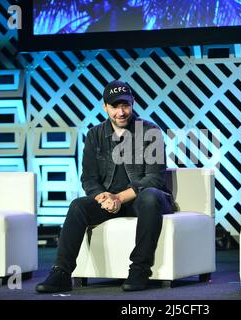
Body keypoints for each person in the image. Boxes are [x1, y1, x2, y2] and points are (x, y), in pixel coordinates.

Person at [36, 80, 174, 293]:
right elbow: (89, 179)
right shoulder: (95, 135)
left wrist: (119, 197)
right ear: (105, 106)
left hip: (143, 199)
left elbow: (154, 178)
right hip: (110, 202)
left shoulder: (150, 131)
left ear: (133, 103)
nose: (121, 112)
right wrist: (104, 198)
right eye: (115, 106)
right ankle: (61, 272)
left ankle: (139, 270)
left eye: (125, 105)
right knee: (78, 206)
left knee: (150, 197)